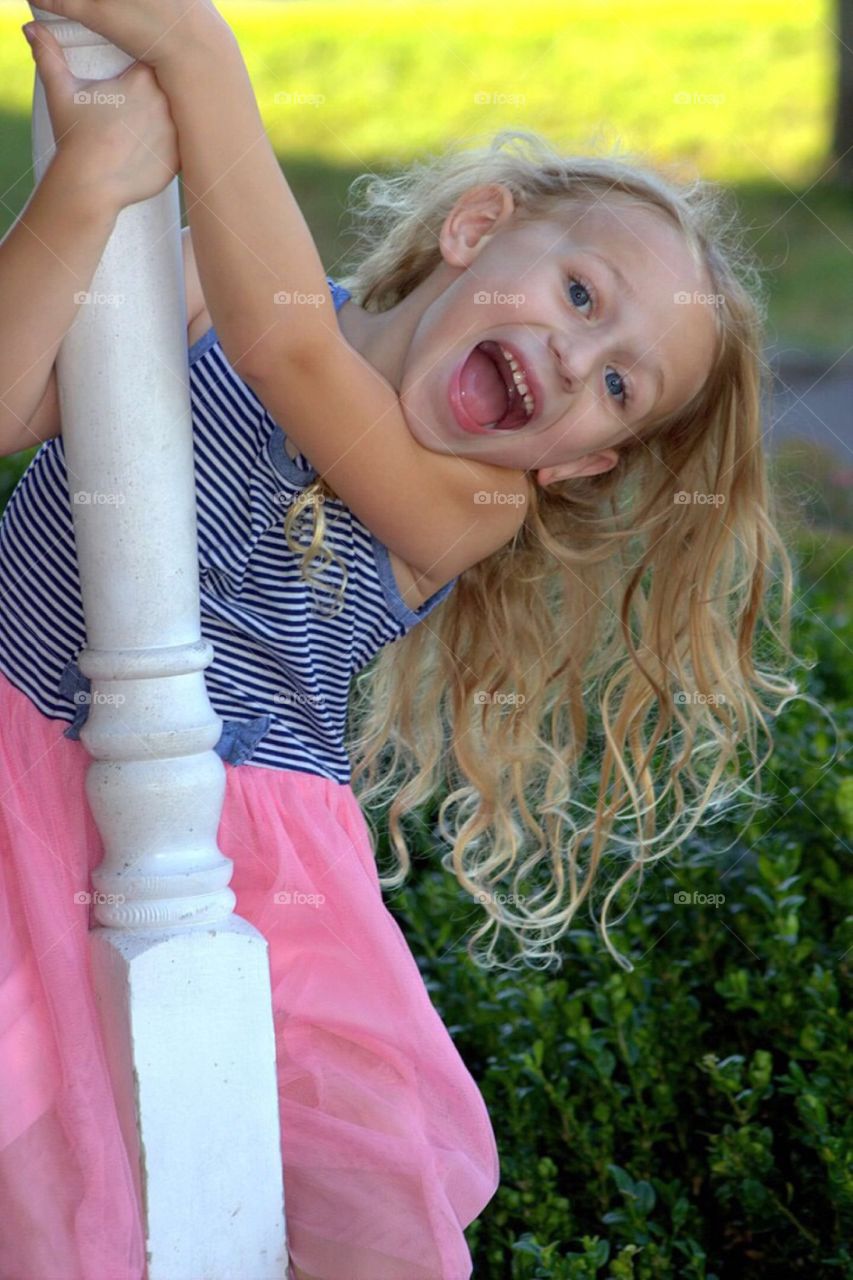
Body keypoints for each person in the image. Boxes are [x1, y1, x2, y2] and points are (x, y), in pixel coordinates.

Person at [0, 4, 802, 1278]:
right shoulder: (199, 288)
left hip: (253, 859)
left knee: (343, 1186)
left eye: (616, 384)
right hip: (15, 765)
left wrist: (203, 59)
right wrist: (89, 182)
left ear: (583, 460)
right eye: (579, 292)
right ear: (472, 228)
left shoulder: (470, 508)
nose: (572, 352)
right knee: (48, 1150)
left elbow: (295, 350)